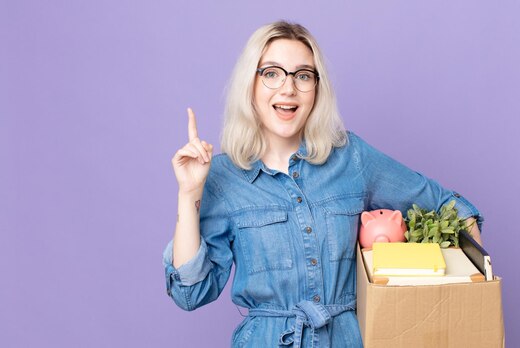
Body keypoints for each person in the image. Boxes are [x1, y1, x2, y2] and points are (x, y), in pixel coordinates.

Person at [163, 21, 483, 348]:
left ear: (316, 89)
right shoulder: (222, 176)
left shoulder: (350, 157)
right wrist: (189, 195)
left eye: (303, 75)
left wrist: (467, 291)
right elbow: (190, 294)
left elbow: (449, 208)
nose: (288, 88)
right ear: (251, 85)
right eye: (272, 73)